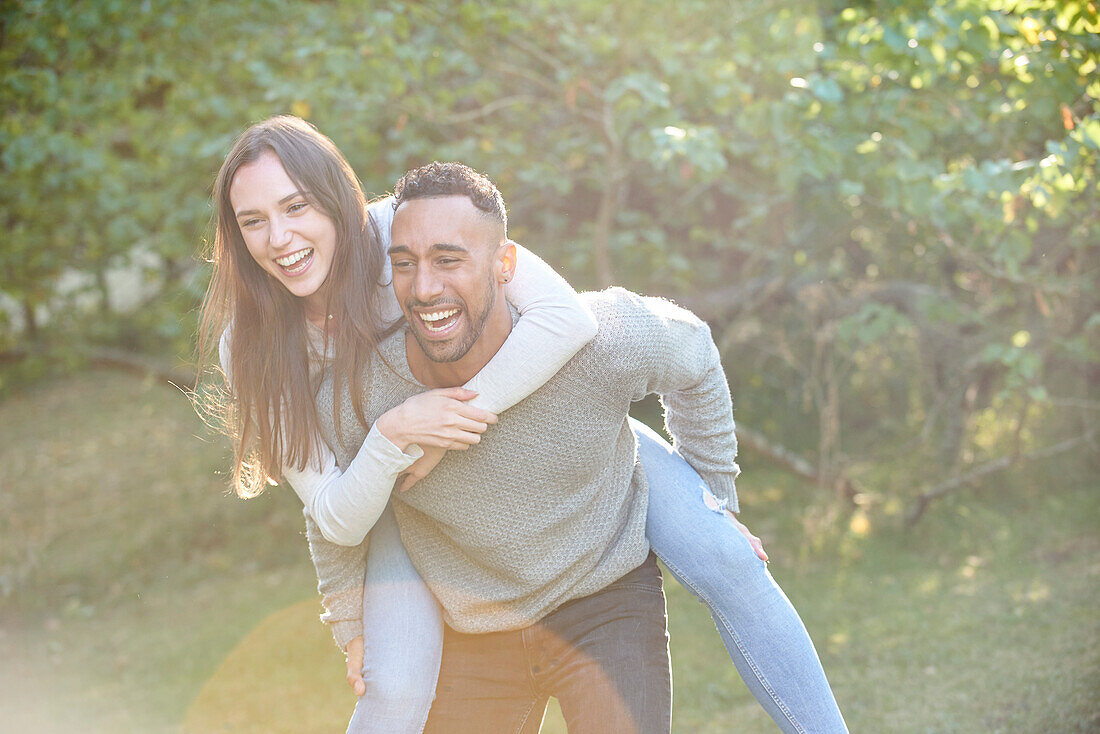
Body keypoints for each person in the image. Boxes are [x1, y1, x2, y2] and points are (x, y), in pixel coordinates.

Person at [198, 116, 847, 733]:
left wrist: (455, 414)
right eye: (254, 221)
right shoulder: (251, 349)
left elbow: (567, 320)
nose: (279, 238)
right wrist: (400, 435)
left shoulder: (402, 231)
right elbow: (331, 504)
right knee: (391, 681)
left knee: (727, 554)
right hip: (397, 492)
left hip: (553, 432)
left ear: (335, 199)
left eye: (295, 206)